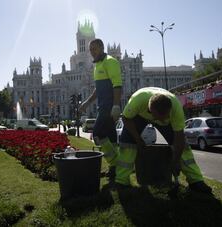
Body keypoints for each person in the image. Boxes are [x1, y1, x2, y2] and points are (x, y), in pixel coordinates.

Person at [115, 87, 212, 193]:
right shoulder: (138, 100)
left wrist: (176, 161)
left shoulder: (176, 108)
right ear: (150, 110)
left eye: (165, 116)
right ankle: (121, 181)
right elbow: (126, 118)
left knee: (184, 147)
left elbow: (179, 138)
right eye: (158, 117)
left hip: (166, 124)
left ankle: (196, 181)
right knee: (127, 144)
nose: (160, 119)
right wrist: (137, 139)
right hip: (139, 117)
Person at [79, 38, 122, 180]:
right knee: (111, 136)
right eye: (90, 49)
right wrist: (87, 102)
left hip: (109, 107)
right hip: (102, 106)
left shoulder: (110, 61)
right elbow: (97, 90)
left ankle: (115, 162)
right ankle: (115, 168)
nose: (92, 52)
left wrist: (116, 106)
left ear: (102, 48)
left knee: (97, 134)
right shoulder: (97, 65)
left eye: (95, 48)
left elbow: (117, 85)